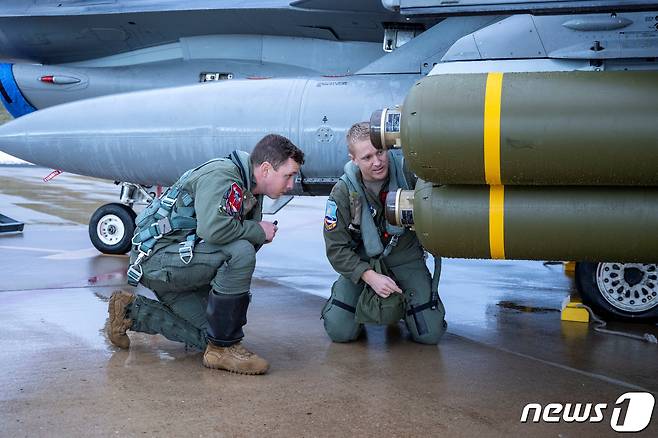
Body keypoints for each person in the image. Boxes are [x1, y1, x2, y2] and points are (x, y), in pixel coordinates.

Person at [107, 134, 304, 375]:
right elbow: (214, 230)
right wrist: (258, 230)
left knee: (212, 335)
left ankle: (130, 312)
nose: (291, 184)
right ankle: (224, 349)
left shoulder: (250, 187)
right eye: (289, 175)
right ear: (265, 169)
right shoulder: (223, 175)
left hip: (183, 265)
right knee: (239, 253)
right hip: (157, 260)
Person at [322, 122, 446, 344]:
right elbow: (336, 249)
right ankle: (351, 301)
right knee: (340, 332)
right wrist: (369, 276)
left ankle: (407, 309)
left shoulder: (410, 176)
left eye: (380, 152)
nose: (377, 162)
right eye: (367, 157)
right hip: (363, 263)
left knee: (430, 334)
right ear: (353, 159)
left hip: (405, 259)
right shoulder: (343, 192)